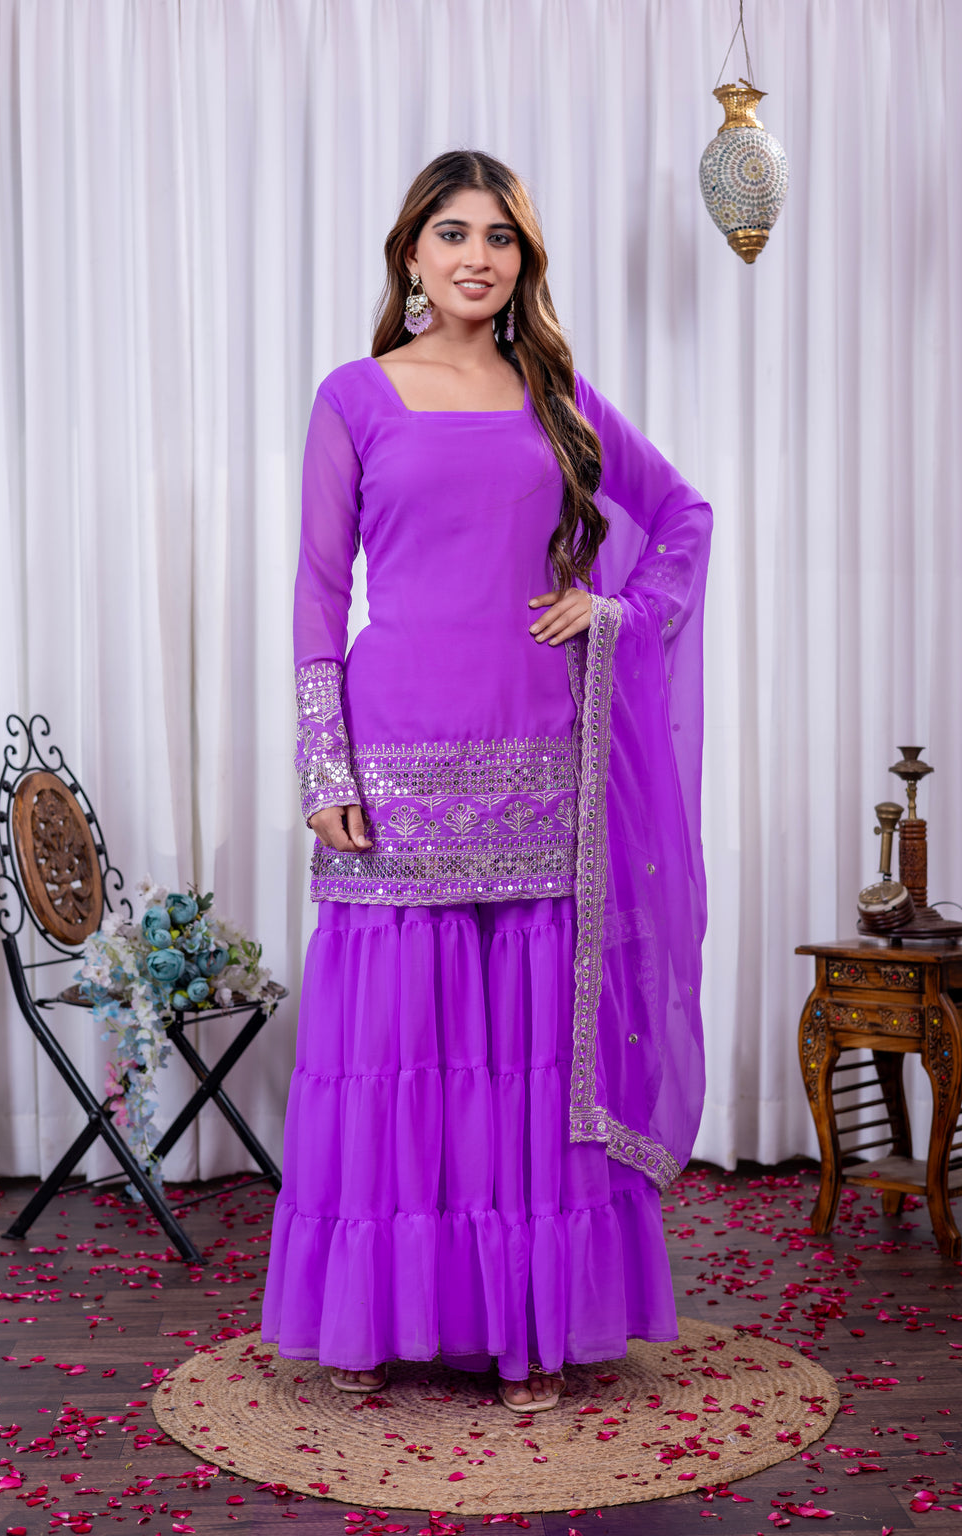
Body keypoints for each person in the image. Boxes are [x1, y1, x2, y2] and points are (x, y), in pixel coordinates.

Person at [262, 150, 711, 1413]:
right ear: (410, 254)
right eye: (452, 233)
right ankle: (381, 1322)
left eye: (500, 237)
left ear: (524, 261)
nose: (477, 256)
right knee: (400, 1051)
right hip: (391, 764)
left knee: (523, 1063)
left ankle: (528, 1333)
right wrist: (320, 763)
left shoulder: (554, 395)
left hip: (538, 765)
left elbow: (680, 516)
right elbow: (313, 590)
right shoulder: (355, 396)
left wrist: (613, 610)